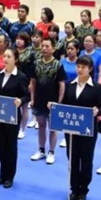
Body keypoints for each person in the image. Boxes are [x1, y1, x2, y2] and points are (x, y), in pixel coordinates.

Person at [61, 55, 101, 200]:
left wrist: (97, 111)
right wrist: (54, 107)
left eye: (83, 67)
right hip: (71, 129)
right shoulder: (69, 85)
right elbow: (64, 104)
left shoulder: (97, 87)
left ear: (90, 69)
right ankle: (74, 188)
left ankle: (83, 189)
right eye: (78, 66)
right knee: (72, 159)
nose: (80, 69)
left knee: (86, 160)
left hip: (88, 130)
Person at [0, 48, 29, 189]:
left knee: (11, 147)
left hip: (12, 116)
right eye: (4, 56)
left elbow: (26, 95)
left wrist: (20, 101)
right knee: (1, 146)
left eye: (9, 57)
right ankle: (2, 174)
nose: (5, 59)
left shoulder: (21, 77)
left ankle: (10, 176)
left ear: (15, 59)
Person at [29, 37, 66, 165]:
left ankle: (51, 152)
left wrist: (59, 102)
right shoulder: (36, 63)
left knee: (52, 128)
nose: (44, 48)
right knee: (41, 126)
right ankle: (41, 149)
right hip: (39, 100)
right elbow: (33, 82)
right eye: (43, 46)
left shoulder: (58, 65)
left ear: (53, 49)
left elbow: (62, 85)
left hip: (53, 102)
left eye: (47, 46)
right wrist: (32, 98)